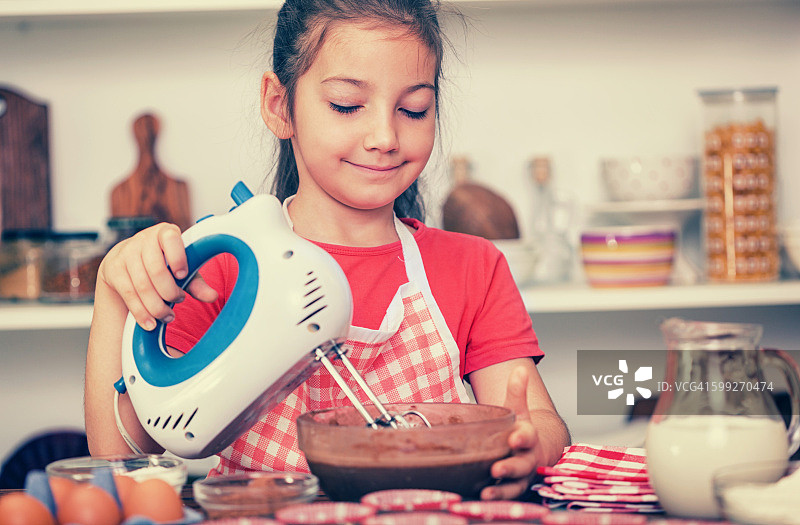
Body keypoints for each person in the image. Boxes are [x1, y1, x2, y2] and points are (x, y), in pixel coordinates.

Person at [85, 0, 570, 500]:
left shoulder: (471, 266)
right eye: (346, 104)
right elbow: (119, 459)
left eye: (414, 109)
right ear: (279, 105)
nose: (385, 136)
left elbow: (542, 423)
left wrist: (532, 447)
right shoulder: (224, 268)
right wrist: (113, 289)